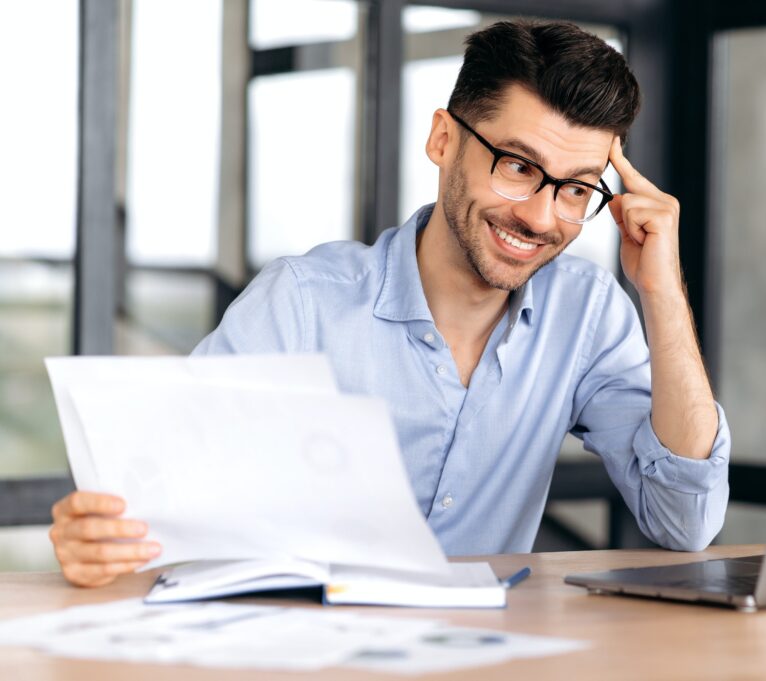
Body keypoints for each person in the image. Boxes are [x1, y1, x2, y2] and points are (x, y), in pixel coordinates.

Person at [49, 20, 731, 587]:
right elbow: (156, 505)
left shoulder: (586, 314)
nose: (543, 216)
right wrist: (98, 539)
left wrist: (662, 292)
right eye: (519, 167)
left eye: (578, 188)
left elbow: (684, 518)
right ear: (442, 139)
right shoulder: (302, 306)